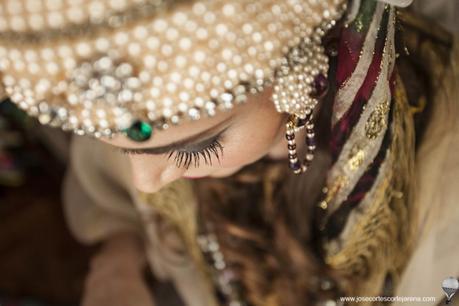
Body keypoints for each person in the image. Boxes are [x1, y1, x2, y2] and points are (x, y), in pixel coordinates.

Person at [0, 0, 458, 305]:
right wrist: (119, 262)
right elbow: (120, 199)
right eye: (111, 142)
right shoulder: (141, 109)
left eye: (200, 147)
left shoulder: (445, 188)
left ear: (302, 70)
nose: (145, 182)